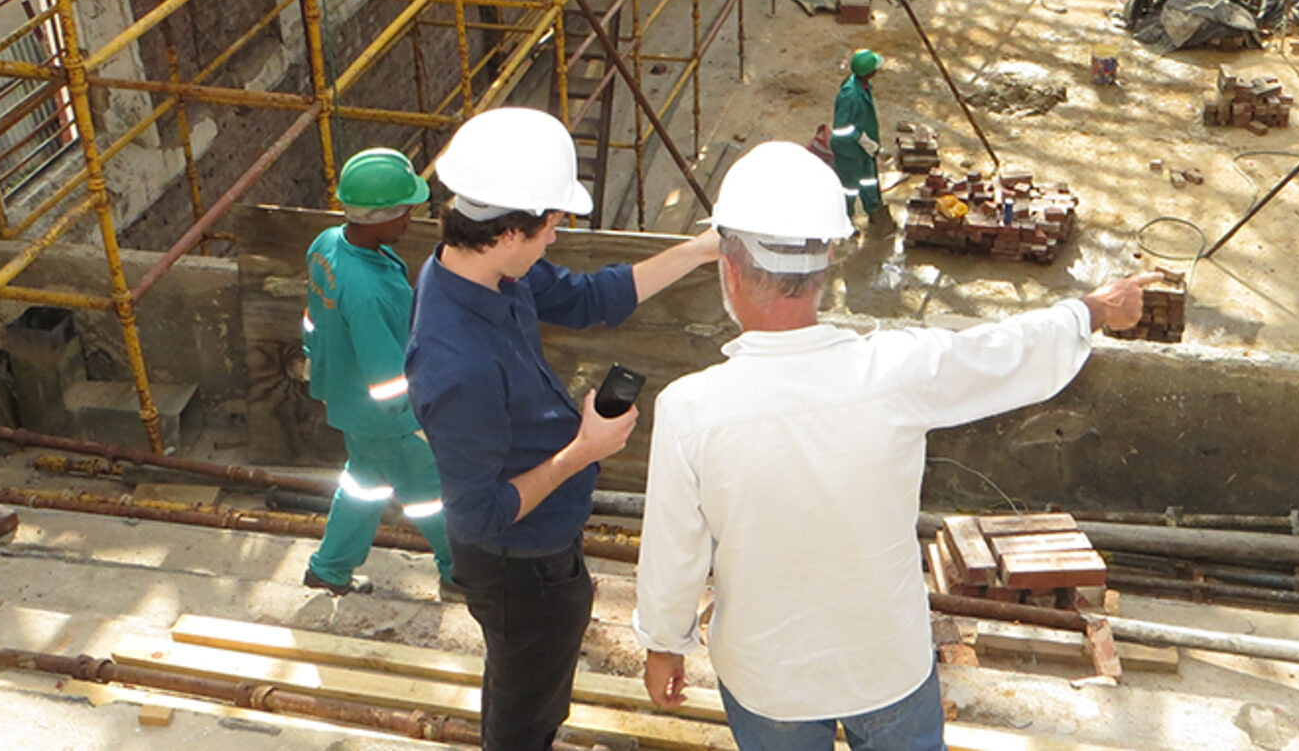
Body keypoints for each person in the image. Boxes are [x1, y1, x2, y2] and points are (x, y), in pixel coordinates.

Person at [632, 140, 1156, 751]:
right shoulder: (895, 371)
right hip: (887, 664)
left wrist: (664, 645)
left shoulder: (691, 408)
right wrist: (1091, 310)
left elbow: (673, 554)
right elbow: (1002, 351)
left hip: (768, 676)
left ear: (728, 268)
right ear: (826, 265)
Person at [405, 107, 719, 751]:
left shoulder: (485, 268)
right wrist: (584, 450)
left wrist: (700, 249)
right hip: (519, 569)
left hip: (543, 554)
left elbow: (588, 299)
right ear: (509, 229)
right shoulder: (454, 361)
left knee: (524, 689)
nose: (555, 238)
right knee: (525, 719)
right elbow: (480, 516)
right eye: (550, 226)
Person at [302, 148, 454, 598]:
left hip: (350, 403)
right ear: (378, 217)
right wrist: (418, 422)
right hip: (390, 418)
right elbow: (387, 377)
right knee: (435, 496)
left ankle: (330, 568)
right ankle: (464, 573)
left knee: (364, 485)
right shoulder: (366, 291)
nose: (410, 218)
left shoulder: (327, 245)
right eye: (404, 210)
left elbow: (313, 319)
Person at [829, 48, 886, 222]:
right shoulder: (850, 95)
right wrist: (861, 139)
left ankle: (874, 211)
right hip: (849, 152)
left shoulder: (862, 86)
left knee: (869, 181)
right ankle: (846, 221)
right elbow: (841, 128)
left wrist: (867, 144)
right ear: (870, 72)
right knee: (849, 189)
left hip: (863, 150)